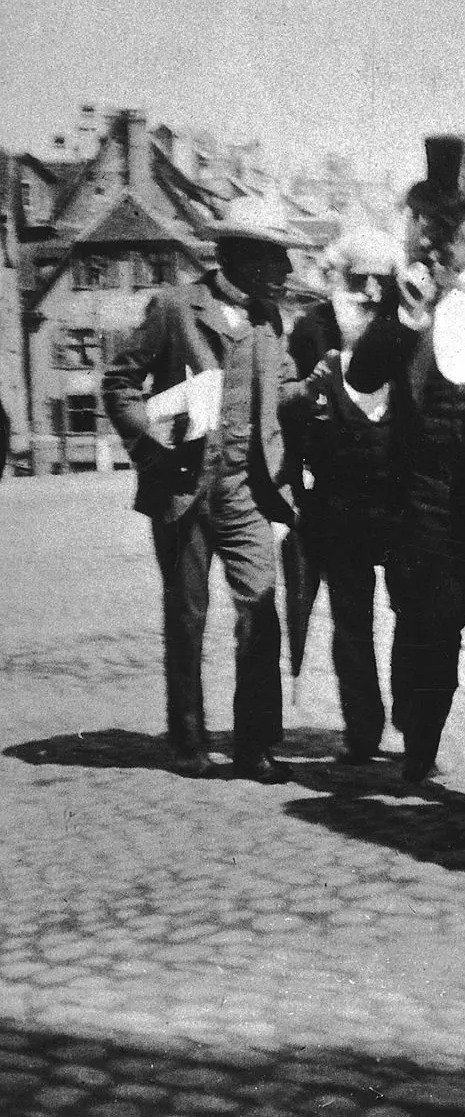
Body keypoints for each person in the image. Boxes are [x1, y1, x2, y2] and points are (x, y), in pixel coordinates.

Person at [346, 135, 465, 824]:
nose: (439, 237)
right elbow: (363, 377)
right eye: (431, 221)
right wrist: (403, 317)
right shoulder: (407, 292)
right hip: (425, 497)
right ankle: (419, 744)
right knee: (427, 631)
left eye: (454, 223)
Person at [103, 194, 300, 781]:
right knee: (187, 617)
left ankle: (254, 745)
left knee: (261, 611)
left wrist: (316, 391)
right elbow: (118, 383)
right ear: (239, 256)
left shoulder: (269, 319)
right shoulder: (175, 307)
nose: (285, 271)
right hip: (184, 487)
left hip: (245, 492)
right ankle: (187, 739)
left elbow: (283, 389)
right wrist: (150, 447)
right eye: (275, 257)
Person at [287, 226, 407, 763]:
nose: (371, 293)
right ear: (340, 278)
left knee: (414, 610)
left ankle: (413, 716)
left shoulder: (404, 326)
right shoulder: (310, 330)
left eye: (381, 281)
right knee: (351, 619)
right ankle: (362, 727)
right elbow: (288, 410)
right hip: (335, 499)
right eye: (360, 280)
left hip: (401, 499)